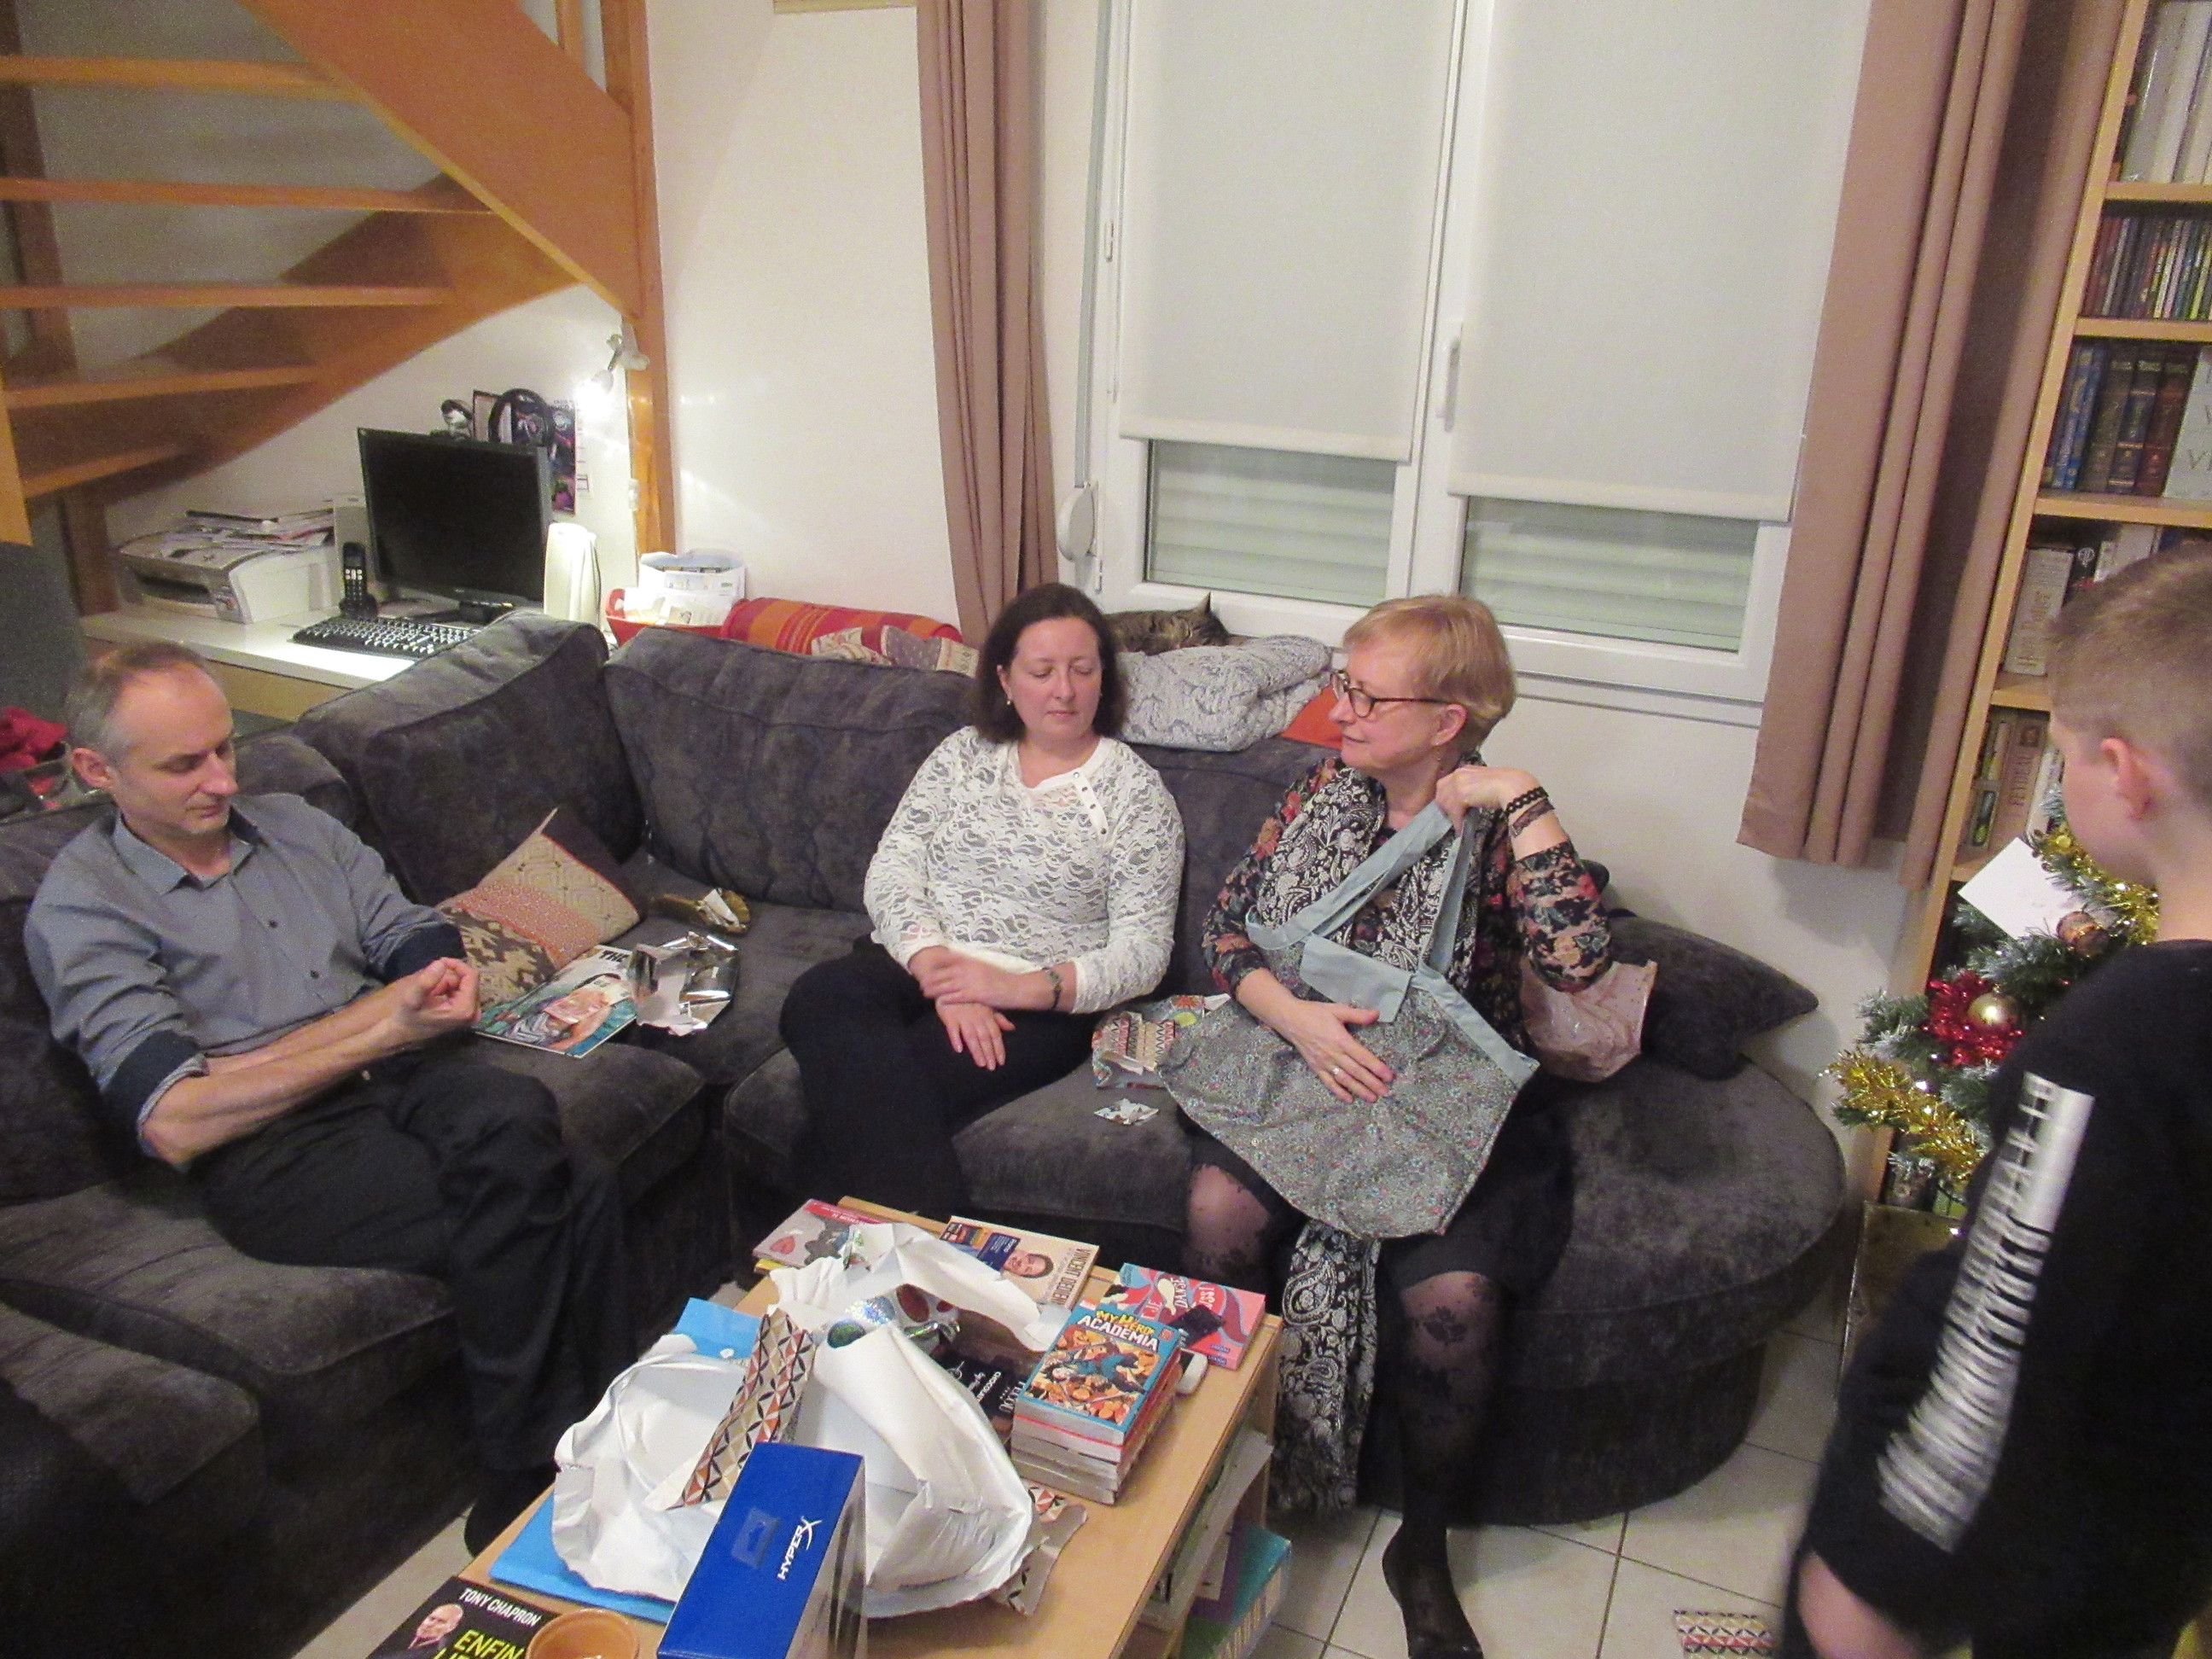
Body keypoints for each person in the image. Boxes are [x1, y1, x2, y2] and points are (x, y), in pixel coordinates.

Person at [24, 642, 632, 1554]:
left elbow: (410, 935)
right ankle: (546, 1468)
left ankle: (565, 1457)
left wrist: (428, 980)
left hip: (405, 1078)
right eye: (185, 765)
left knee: (517, 1116)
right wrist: (377, 1026)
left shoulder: (296, 827)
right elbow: (177, 1119)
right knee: (572, 1189)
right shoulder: (85, 908)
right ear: (96, 770)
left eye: (226, 748)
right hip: (274, 1147)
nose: (223, 781)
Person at [1788, 550, 2212, 1659]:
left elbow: (2005, 1327)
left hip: (2057, 1535)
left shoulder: (2118, 1047)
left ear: (2125, 776)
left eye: (2063, 753)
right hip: (2163, 1529)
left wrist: (1880, 1567)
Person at [1181, 595, 1611, 1659]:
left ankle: (1420, 1549)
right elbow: (1226, 930)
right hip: (1301, 1057)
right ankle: (1215, 1474)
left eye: (1368, 697)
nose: (1339, 711)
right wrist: (1296, 1018)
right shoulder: (1319, 792)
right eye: (1344, 683)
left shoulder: (1501, 829)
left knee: (1454, 1304)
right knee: (1219, 1213)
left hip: (1446, 1094)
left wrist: (1521, 795)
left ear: (1447, 720)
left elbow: (1579, 965)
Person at [782, 582, 1185, 1216]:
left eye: (1082, 670)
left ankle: (888, 1261)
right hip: (918, 957)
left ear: (1104, 678)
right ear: (1005, 678)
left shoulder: (1137, 796)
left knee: (880, 1091)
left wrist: (1011, 987)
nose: (1064, 690)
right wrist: (942, 973)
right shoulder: (963, 755)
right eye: (1042, 672)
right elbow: (894, 866)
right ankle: (927, 1261)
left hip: (1035, 1001)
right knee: (820, 996)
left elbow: (1143, 952)